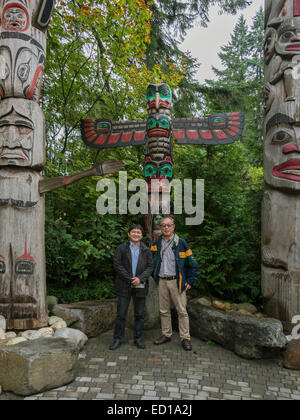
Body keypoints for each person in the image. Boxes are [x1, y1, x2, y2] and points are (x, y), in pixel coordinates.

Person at [151, 216, 200, 351]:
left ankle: (185, 338)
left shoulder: (181, 243)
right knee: (163, 310)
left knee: (182, 311)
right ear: (160, 228)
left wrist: (190, 281)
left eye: (169, 225)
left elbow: (193, 265)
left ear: (173, 227)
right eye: (163, 225)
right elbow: (152, 262)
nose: (166, 228)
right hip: (161, 281)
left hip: (176, 282)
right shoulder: (157, 243)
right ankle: (166, 334)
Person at [110, 224, 153, 350]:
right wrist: (130, 279)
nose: (136, 234)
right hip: (124, 285)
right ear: (129, 234)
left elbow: (150, 267)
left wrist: (140, 278)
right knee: (121, 314)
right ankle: (118, 339)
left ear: (142, 235)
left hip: (141, 285)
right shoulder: (121, 248)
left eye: (138, 232)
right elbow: (117, 265)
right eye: (133, 232)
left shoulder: (146, 250)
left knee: (139, 314)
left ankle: (138, 339)